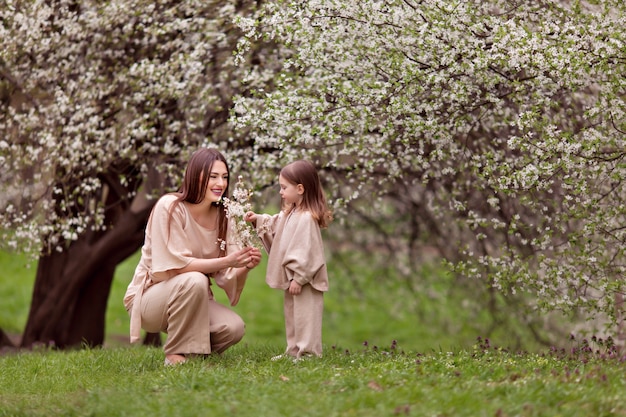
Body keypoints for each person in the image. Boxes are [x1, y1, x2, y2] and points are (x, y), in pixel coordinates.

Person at [124, 148, 262, 366]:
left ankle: (193, 356)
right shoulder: (169, 207)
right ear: (196, 176)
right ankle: (175, 354)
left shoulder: (224, 216)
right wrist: (228, 261)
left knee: (232, 328)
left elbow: (226, 275)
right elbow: (175, 267)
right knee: (195, 278)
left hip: (196, 296)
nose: (221, 183)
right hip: (151, 297)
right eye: (213, 177)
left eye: (224, 177)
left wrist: (245, 265)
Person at [245, 160, 332, 360]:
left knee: (305, 316)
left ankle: (308, 352)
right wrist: (258, 219)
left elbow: (308, 252)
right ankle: (294, 350)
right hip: (294, 280)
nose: (281, 192)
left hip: (305, 280)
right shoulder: (292, 212)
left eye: (284, 187)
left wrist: (299, 278)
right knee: (293, 314)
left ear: (300, 188)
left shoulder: (307, 218)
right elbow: (276, 224)